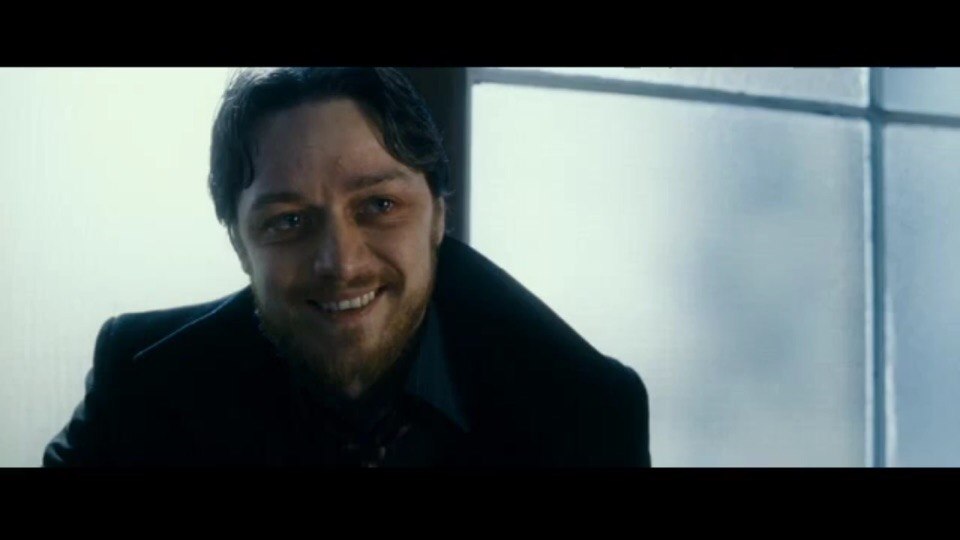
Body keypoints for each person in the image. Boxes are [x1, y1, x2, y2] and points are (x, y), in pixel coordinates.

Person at [43, 68, 650, 467]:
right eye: (288, 220)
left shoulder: (584, 409)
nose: (341, 263)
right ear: (239, 245)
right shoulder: (140, 382)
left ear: (438, 216)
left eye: (379, 206)